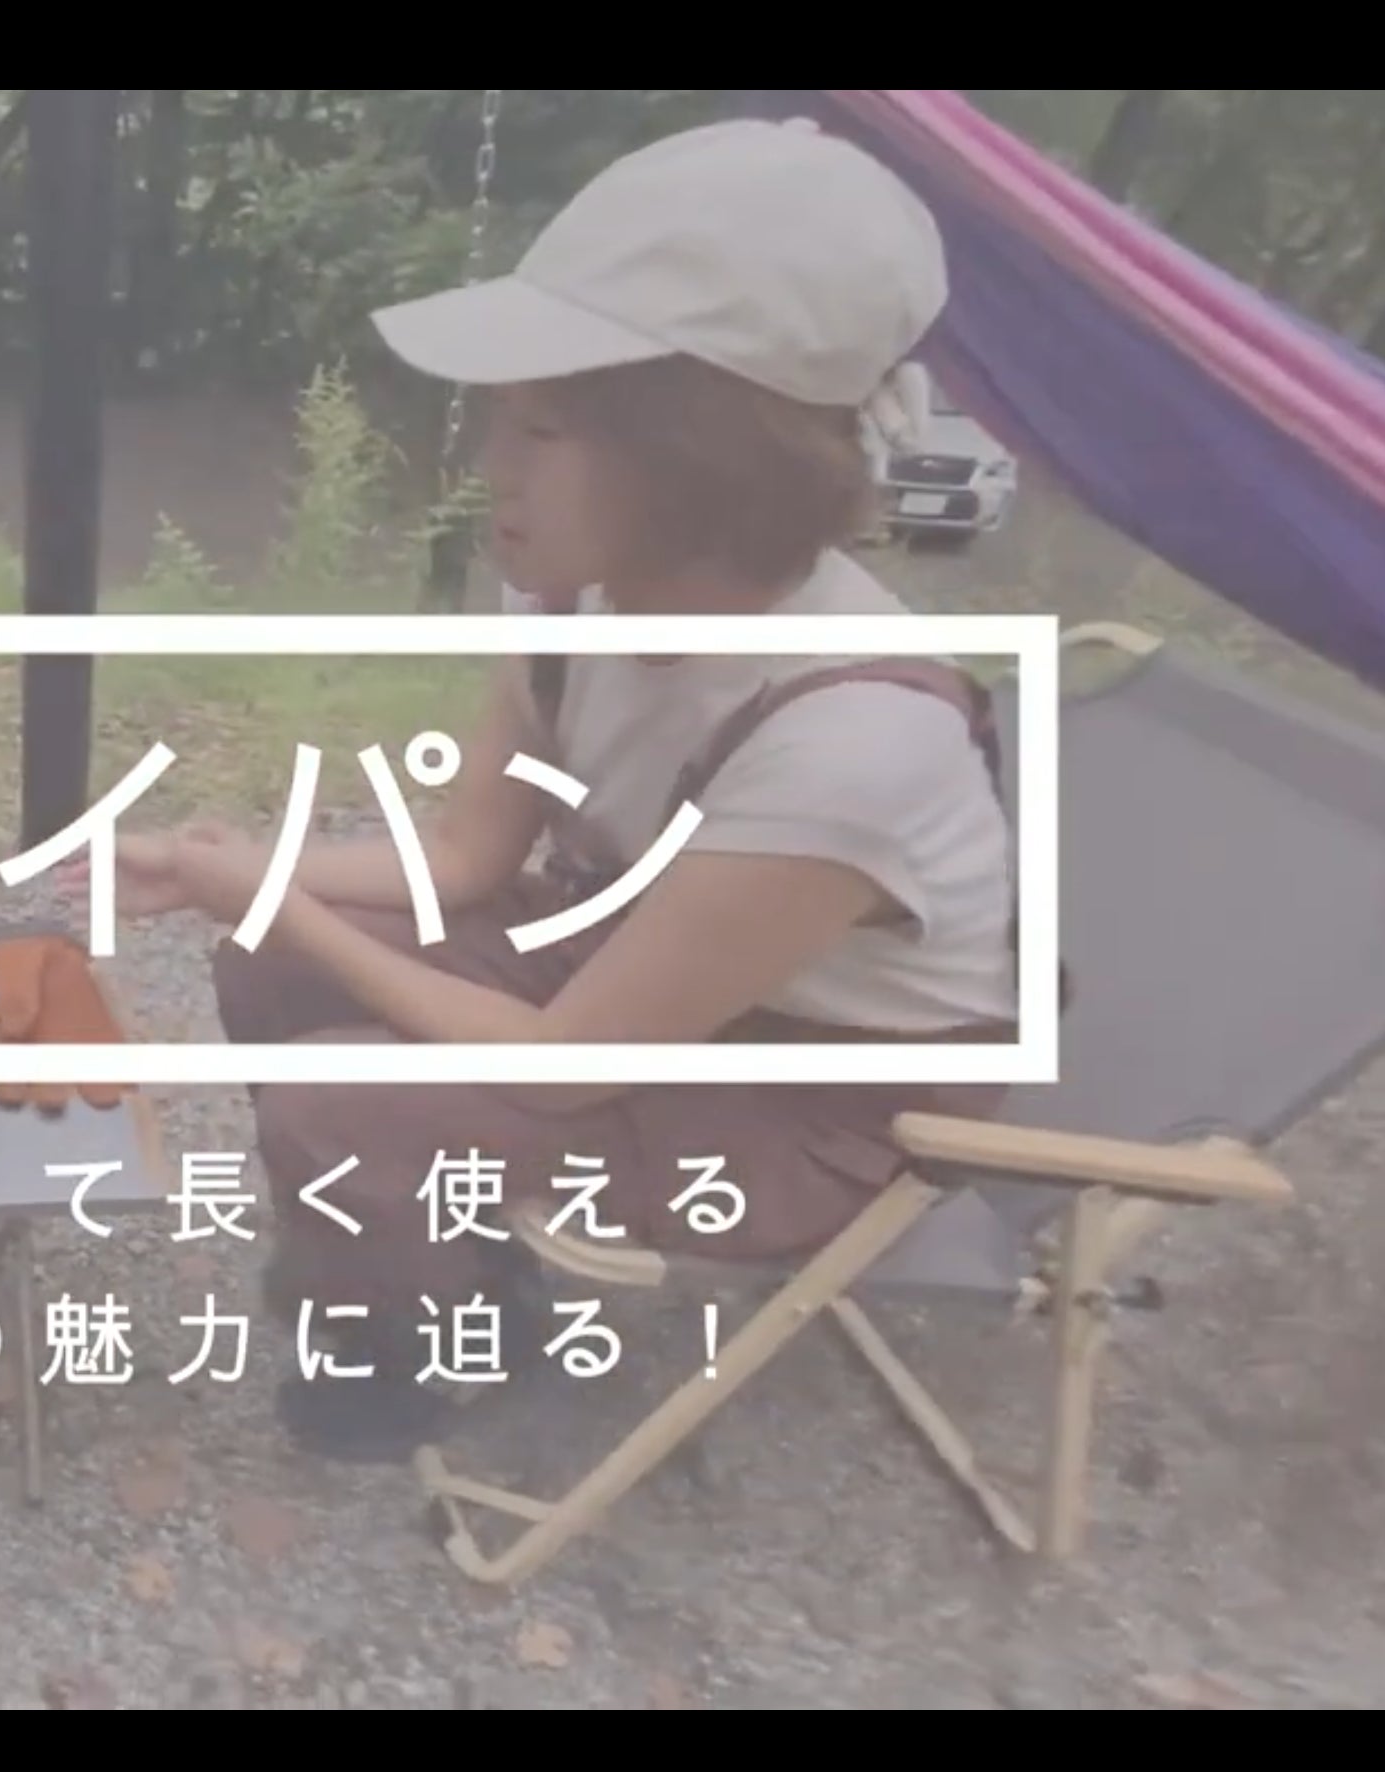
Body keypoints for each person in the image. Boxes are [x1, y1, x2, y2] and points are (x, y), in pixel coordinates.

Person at [66, 118, 1027, 1462]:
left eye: (545, 430)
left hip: (813, 1093)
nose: (493, 471)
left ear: (710, 460)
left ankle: (412, 1352)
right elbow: (466, 859)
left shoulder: (851, 738)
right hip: (640, 969)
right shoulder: (575, 602)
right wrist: (232, 873)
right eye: (499, 422)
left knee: (341, 1102)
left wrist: (283, 903)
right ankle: (433, 1245)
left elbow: (570, 1067)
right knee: (267, 965)